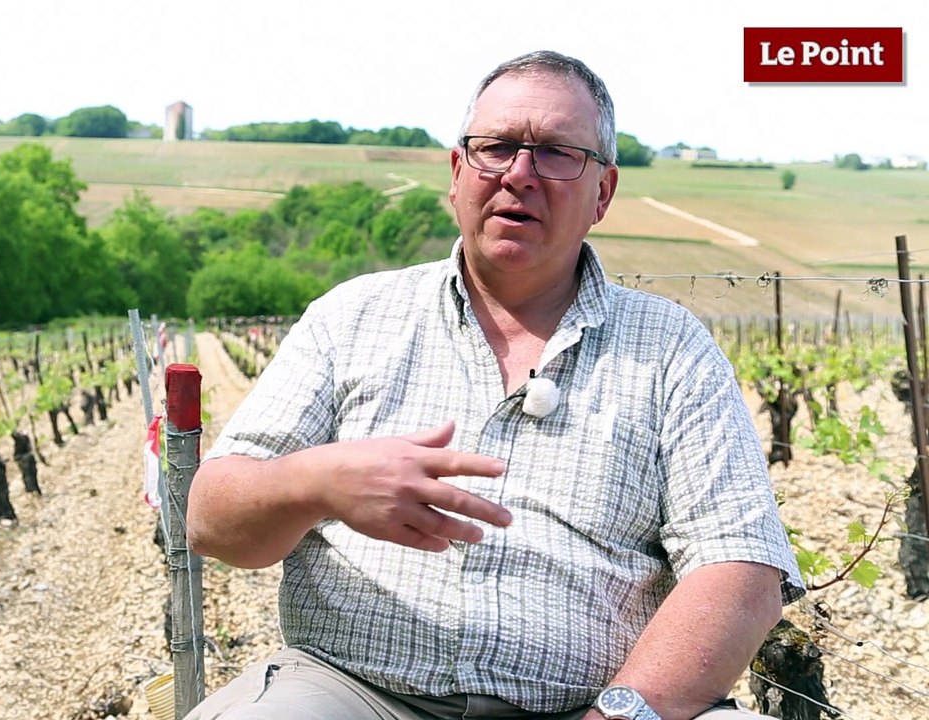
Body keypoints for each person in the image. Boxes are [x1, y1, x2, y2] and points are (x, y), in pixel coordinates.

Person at [185, 50, 804, 720]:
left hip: (593, 707)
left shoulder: (672, 350)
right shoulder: (352, 317)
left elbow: (740, 569)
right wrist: (318, 482)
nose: (520, 174)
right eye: (498, 147)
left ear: (603, 191)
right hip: (355, 693)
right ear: (457, 174)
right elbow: (212, 517)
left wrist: (622, 713)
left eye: (557, 152)